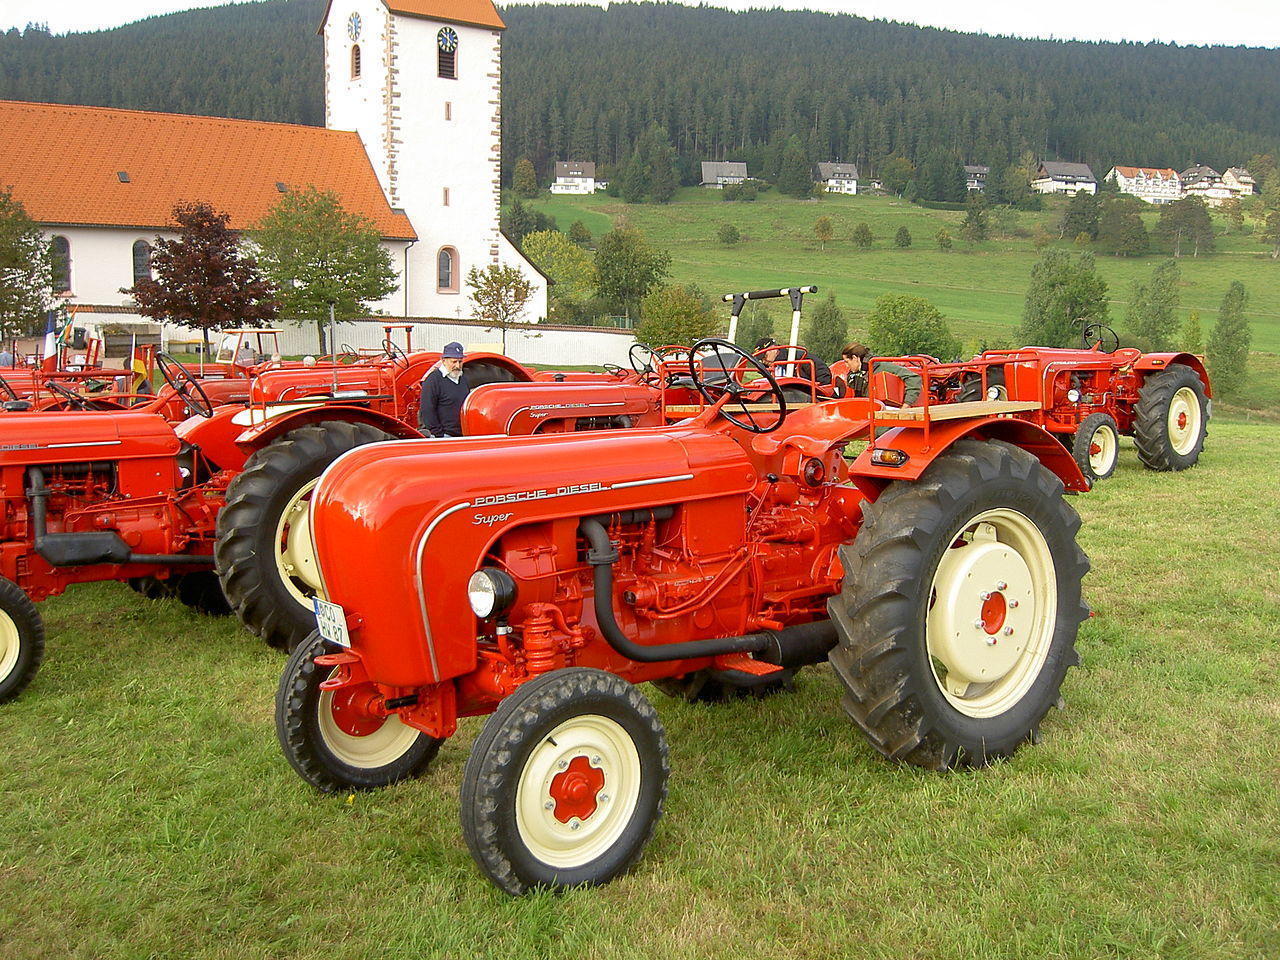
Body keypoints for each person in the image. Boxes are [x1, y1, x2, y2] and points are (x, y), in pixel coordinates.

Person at [834, 343, 922, 405]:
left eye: (847, 361)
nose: (846, 365)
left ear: (855, 358)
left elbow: (914, 378)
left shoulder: (882, 367)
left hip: (887, 414)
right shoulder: (857, 375)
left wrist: (907, 404)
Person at [420, 341, 471, 437]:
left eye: (460, 362)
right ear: (443, 361)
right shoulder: (433, 380)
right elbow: (427, 410)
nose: (457, 366)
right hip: (445, 436)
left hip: (462, 434)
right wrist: (439, 434)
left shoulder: (463, 379)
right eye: (454, 362)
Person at [754, 336, 831, 385]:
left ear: (774, 349)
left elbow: (823, 374)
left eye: (764, 356)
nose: (763, 360)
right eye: (761, 358)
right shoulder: (766, 369)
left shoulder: (800, 358)